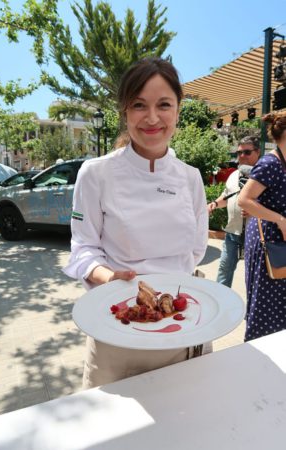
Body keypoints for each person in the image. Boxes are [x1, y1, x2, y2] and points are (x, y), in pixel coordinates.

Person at [63, 57, 209, 388]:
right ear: (125, 112)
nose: (153, 117)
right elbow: (83, 247)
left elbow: (196, 249)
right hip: (119, 327)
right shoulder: (96, 173)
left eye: (164, 105)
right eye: (139, 105)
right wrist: (109, 276)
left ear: (178, 111)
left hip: (183, 327)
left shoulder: (191, 178)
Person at [238, 113, 286, 341]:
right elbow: (244, 200)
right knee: (267, 300)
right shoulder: (270, 163)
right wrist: (280, 219)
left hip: (280, 241)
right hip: (269, 243)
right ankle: (259, 355)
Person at [207, 136, 260, 287]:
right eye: (239, 153)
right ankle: (222, 305)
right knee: (224, 271)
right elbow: (227, 196)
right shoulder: (234, 175)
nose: (242, 156)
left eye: (247, 152)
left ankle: (252, 310)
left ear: (258, 152)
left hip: (255, 236)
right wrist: (215, 203)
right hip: (232, 234)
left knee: (253, 278)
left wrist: (256, 211)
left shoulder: (265, 176)